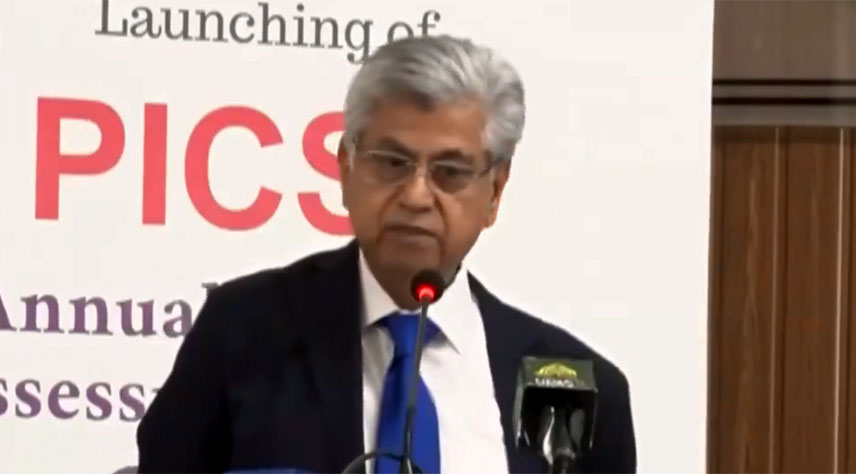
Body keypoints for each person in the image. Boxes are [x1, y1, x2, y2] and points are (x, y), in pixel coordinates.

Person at [136, 34, 636, 474]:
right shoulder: (242, 333)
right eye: (392, 162)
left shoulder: (583, 392)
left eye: (450, 171)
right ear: (346, 168)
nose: (416, 196)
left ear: (495, 192)